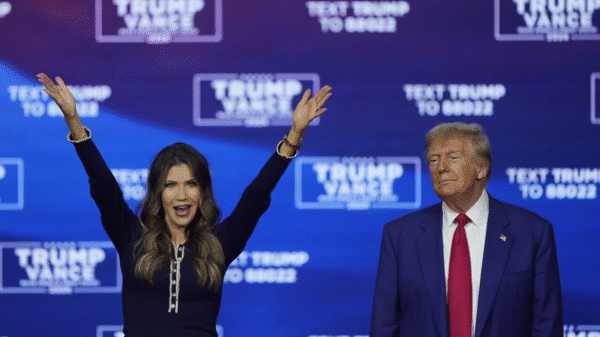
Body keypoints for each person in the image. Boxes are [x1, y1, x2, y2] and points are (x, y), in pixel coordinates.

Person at [37, 73, 331, 337]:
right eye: (171, 185)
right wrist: (74, 123)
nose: (181, 196)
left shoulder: (219, 244)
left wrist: (294, 137)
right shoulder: (131, 237)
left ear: (202, 192)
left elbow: (255, 198)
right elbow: (104, 187)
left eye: (191, 184)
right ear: (157, 193)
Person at [370, 122, 562, 337]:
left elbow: (547, 324)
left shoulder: (532, 233)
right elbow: (384, 325)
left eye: (452, 157)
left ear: (481, 168)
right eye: (433, 160)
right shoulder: (399, 236)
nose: (441, 167)